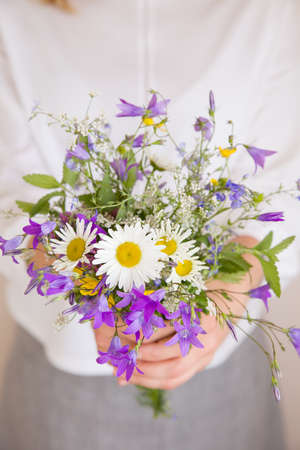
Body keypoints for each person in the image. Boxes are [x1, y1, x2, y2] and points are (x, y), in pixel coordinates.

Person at [0, 0, 299, 449]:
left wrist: (228, 295)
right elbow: (10, 194)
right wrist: (86, 290)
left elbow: (286, 184)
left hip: (225, 370)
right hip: (62, 381)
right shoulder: (17, 13)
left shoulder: (266, 11)